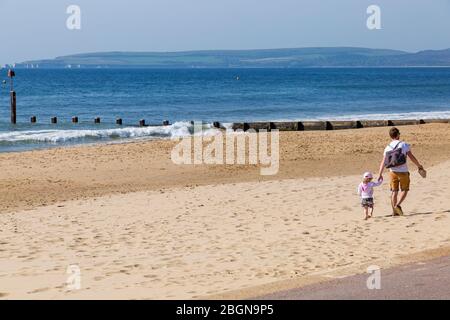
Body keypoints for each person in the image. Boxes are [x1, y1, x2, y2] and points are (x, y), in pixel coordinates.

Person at [378, 127, 425, 216]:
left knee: (394, 192)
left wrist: (380, 174)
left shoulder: (387, 147)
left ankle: (394, 212)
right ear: (398, 135)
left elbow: (383, 162)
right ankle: (398, 205)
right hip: (403, 171)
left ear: (390, 136)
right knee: (405, 189)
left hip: (392, 172)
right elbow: (411, 157)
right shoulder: (403, 145)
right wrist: (419, 166)